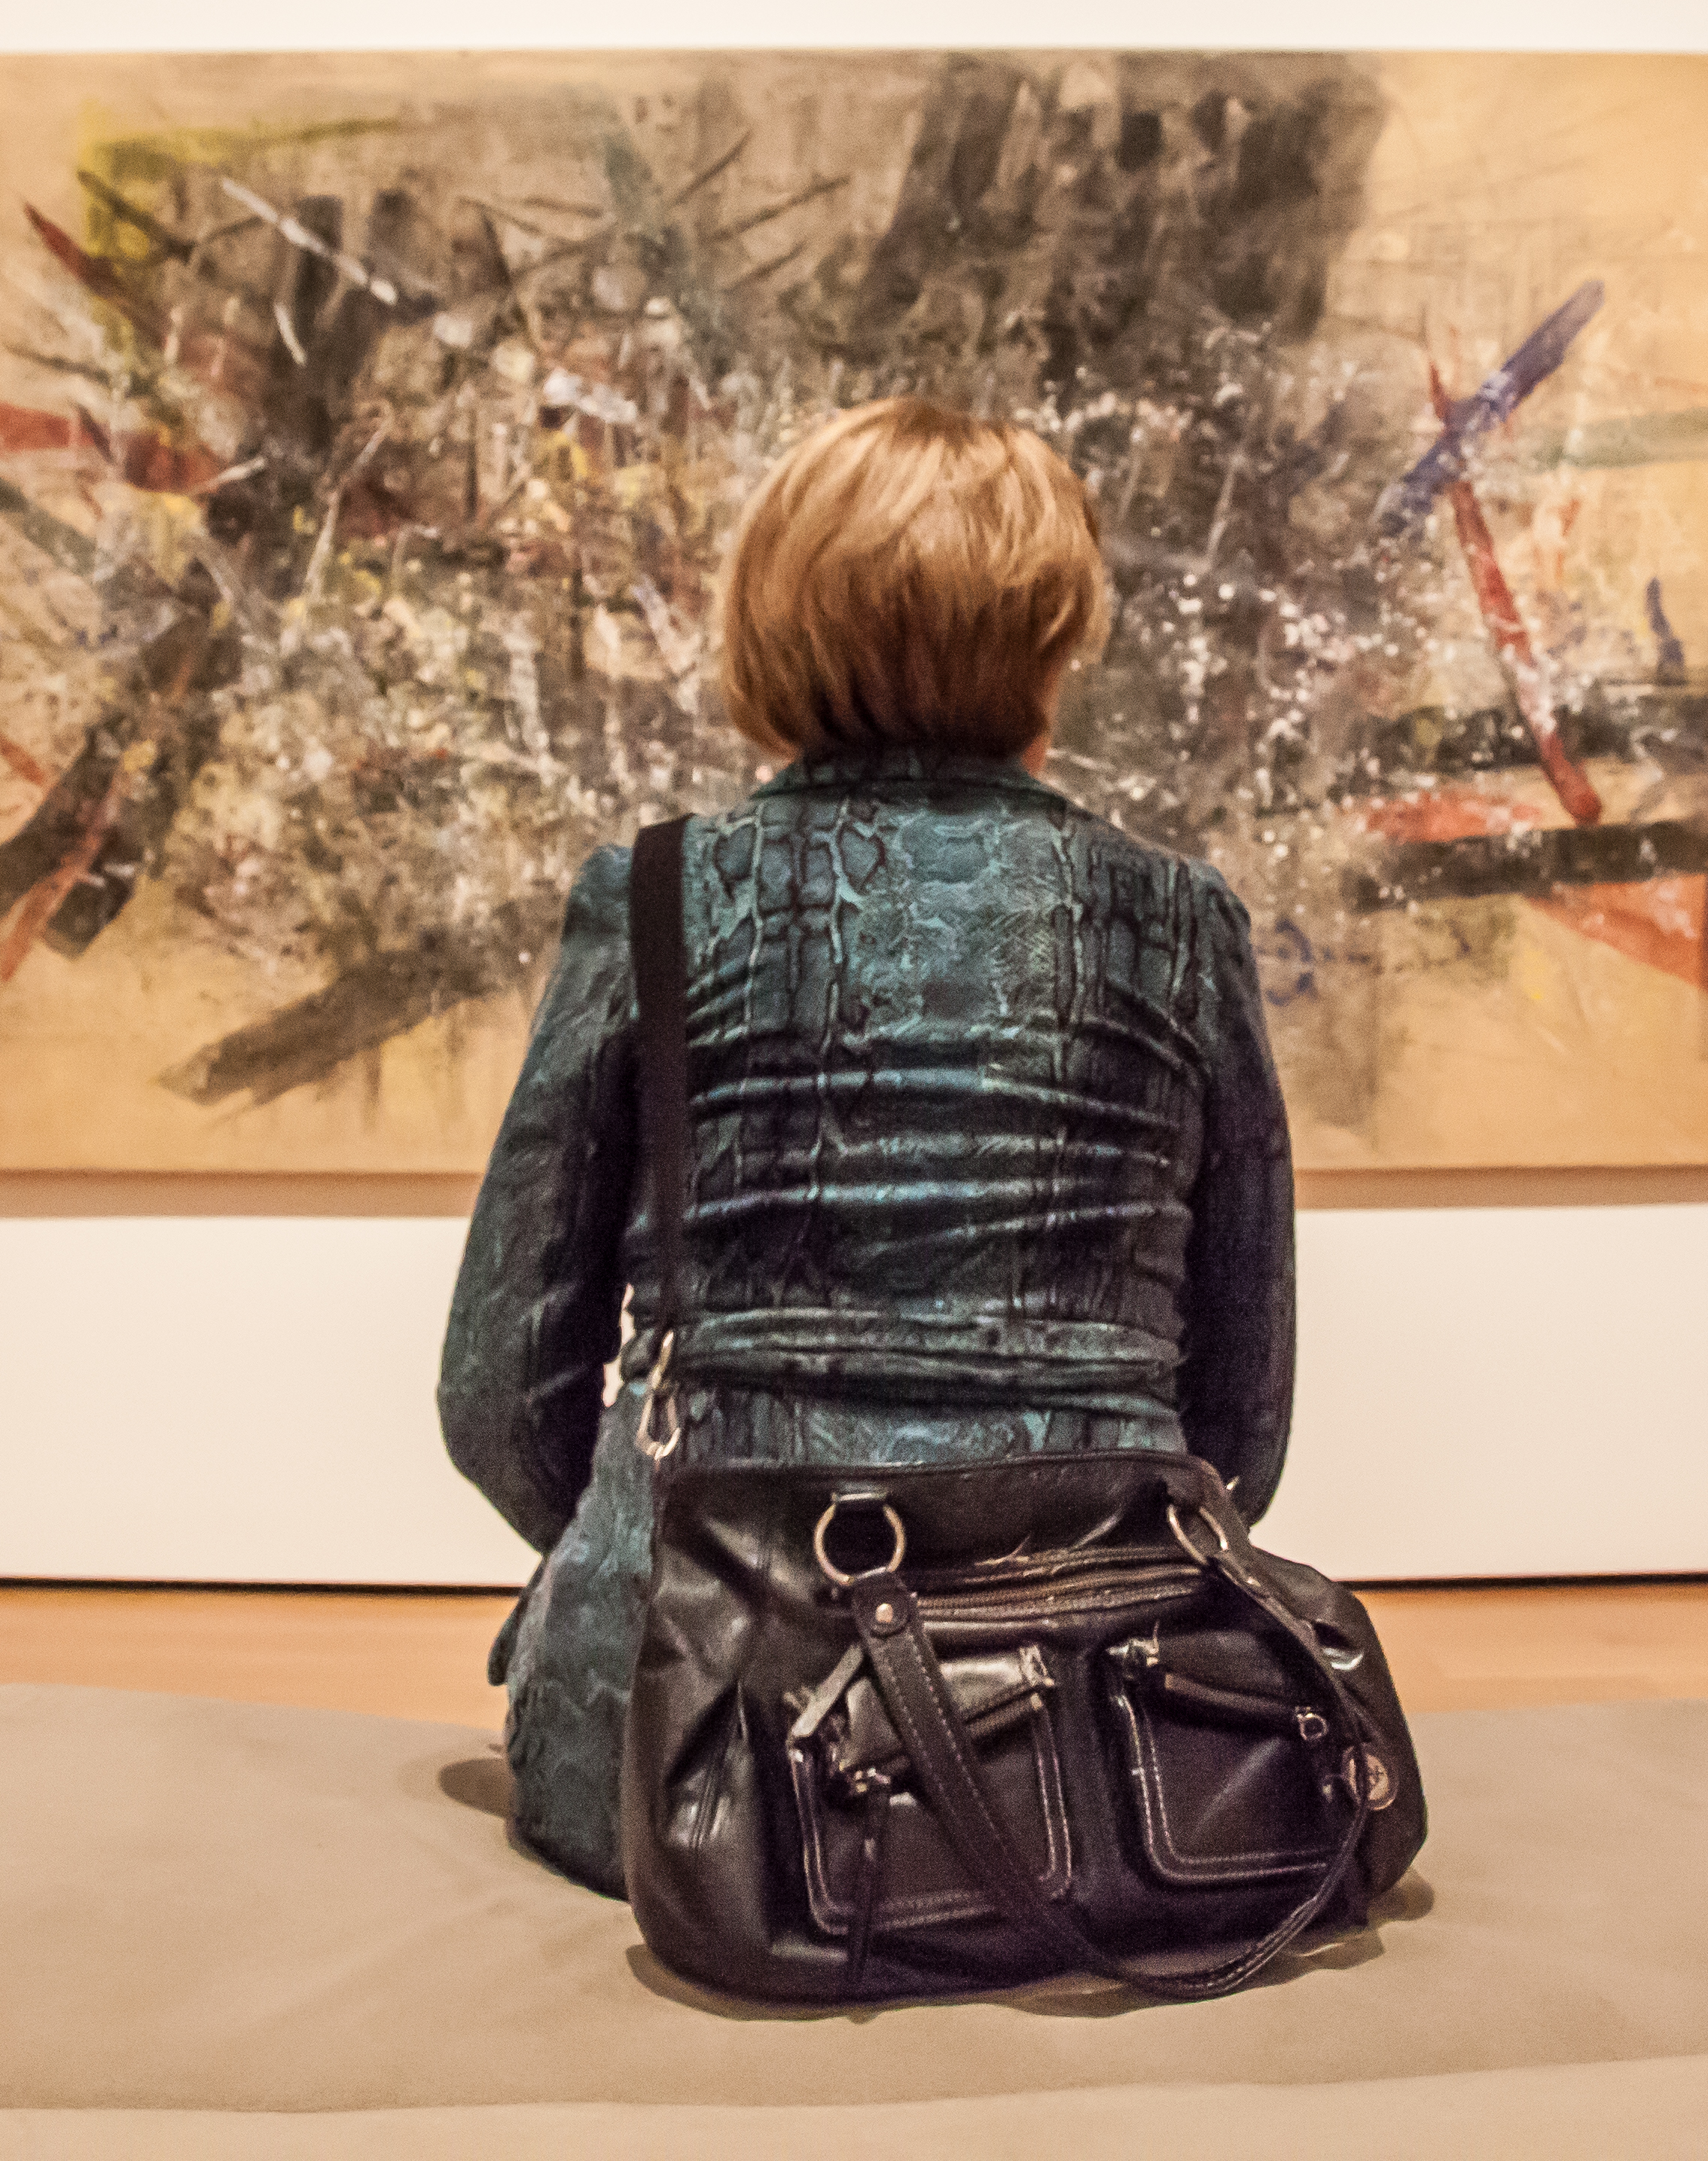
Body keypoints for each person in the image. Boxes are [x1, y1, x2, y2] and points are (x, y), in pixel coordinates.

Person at [440, 397, 1297, 1891]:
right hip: (1088, 1744)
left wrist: (663, 1548)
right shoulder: (1185, 925)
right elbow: (1242, 1419)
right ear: (1054, 633)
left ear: (768, 622)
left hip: (688, 1753)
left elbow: (495, 1393)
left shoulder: (655, 898)